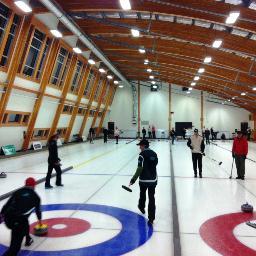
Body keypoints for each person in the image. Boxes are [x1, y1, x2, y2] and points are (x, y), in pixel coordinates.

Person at [1, 177, 42, 256]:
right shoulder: (36, 197)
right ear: (34, 185)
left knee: (25, 222)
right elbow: (38, 211)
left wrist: (1, 215)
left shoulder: (18, 192)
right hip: (17, 220)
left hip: (8, 218)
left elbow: (6, 205)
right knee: (14, 248)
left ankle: (28, 239)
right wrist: (40, 221)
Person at [130, 139, 158, 225]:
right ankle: (151, 218)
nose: (139, 147)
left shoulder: (141, 155)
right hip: (153, 180)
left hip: (143, 180)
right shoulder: (154, 153)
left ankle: (141, 207)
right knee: (151, 198)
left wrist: (133, 179)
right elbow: (155, 164)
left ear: (144, 146)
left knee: (142, 193)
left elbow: (140, 168)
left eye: (140, 146)